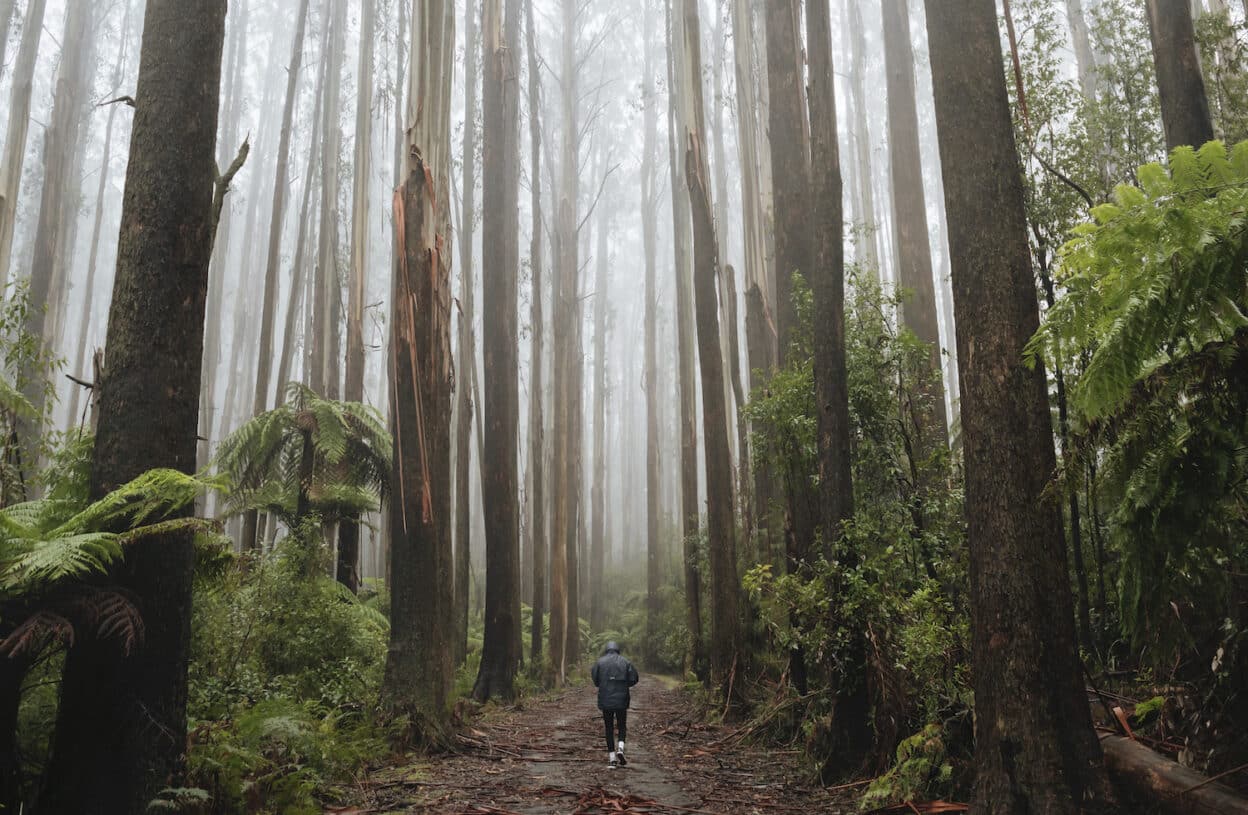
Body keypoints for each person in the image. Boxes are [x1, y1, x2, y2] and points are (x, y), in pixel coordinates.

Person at [591, 641, 639, 769]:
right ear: (618, 650)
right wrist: (624, 685)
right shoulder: (625, 662)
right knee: (622, 725)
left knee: (609, 728)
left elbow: (595, 680)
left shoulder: (599, 662)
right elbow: (634, 678)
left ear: (606, 650)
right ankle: (621, 748)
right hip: (622, 699)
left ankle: (612, 759)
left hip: (606, 700)